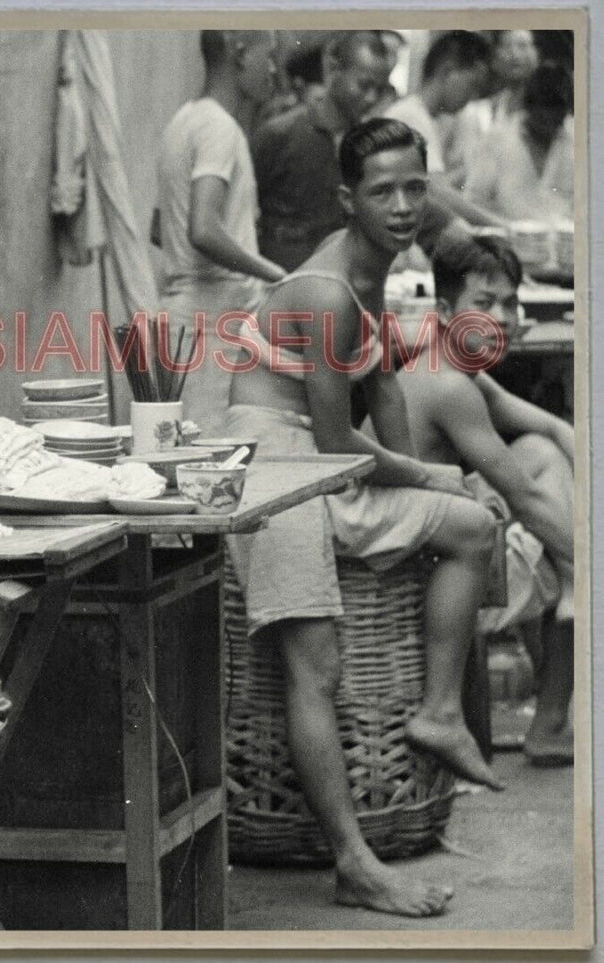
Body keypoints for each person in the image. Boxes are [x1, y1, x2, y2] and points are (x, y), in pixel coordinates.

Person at [227, 118, 502, 917]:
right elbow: (331, 437)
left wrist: (436, 486)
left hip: (312, 464)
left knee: (470, 527)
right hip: (274, 473)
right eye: (381, 191)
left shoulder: (369, 268)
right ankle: (353, 861)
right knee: (311, 664)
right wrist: (428, 471)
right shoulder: (323, 289)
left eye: (414, 185)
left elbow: (378, 387)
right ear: (347, 199)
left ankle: (438, 712)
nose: (403, 204)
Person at [393, 233, 574, 765]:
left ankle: (571, 586)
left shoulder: (460, 370)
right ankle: (549, 722)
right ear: (446, 312)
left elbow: (555, 430)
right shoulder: (448, 385)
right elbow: (524, 498)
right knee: (565, 546)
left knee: (545, 452)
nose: (502, 317)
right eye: (484, 303)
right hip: (423, 565)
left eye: (510, 303)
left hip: (438, 534)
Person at [153, 30, 286, 435]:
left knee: (181, 451)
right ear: (241, 54)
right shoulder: (220, 128)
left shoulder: (184, 119)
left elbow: (160, 228)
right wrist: (274, 274)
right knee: (206, 457)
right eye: (269, 56)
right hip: (210, 325)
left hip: (185, 316)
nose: (274, 70)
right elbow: (204, 229)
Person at [253, 31, 395, 272]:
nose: (371, 98)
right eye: (363, 85)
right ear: (333, 69)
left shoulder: (365, 146)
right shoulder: (280, 133)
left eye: (379, 90)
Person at [381, 31, 503, 229]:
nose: (472, 97)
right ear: (448, 71)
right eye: (472, 85)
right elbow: (437, 192)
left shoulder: (429, 118)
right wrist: (501, 226)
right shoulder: (409, 115)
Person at [464, 63, 574, 223]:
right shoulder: (498, 139)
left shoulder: (578, 140)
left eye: (557, 120)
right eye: (543, 119)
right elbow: (474, 202)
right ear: (529, 107)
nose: (550, 126)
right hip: (507, 240)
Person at [445, 30, 539, 188]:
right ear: (494, 60)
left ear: (538, 55)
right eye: (507, 47)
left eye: (523, 46)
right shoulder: (475, 114)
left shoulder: (552, 116)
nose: (515, 55)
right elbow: (461, 173)